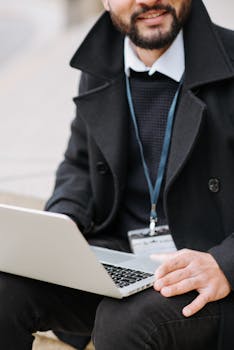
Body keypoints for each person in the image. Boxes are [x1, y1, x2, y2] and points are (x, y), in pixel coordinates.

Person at [0, 0, 234, 349]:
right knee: (6, 288)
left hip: (204, 268)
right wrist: (65, 219)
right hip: (123, 256)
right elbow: (79, 163)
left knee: (124, 323)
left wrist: (225, 263)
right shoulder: (102, 62)